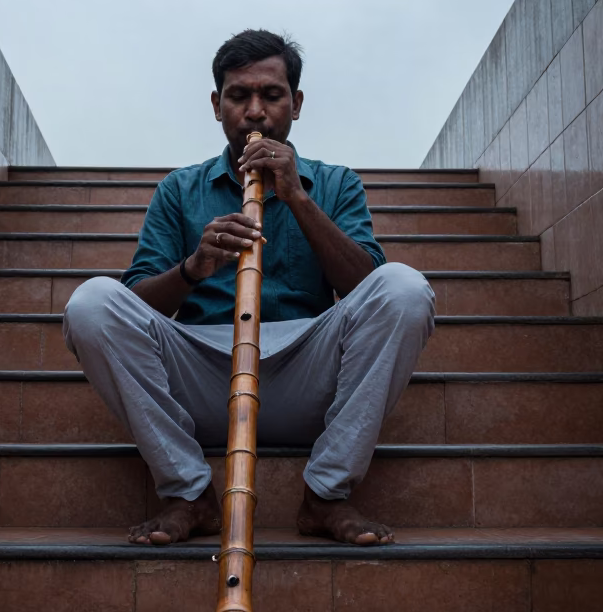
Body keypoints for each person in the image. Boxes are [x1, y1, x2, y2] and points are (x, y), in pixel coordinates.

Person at [63, 29, 434, 546]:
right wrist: (194, 267)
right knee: (92, 302)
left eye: (272, 95)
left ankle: (327, 494)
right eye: (239, 96)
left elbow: (364, 287)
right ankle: (189, 492)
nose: (255, 112)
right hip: (204, 378)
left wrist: (299, 199)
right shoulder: (179, 189)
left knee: (404, 287)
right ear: (217, 106)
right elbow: (133, 304)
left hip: (306, 373)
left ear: (296, 104)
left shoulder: (335, 183)